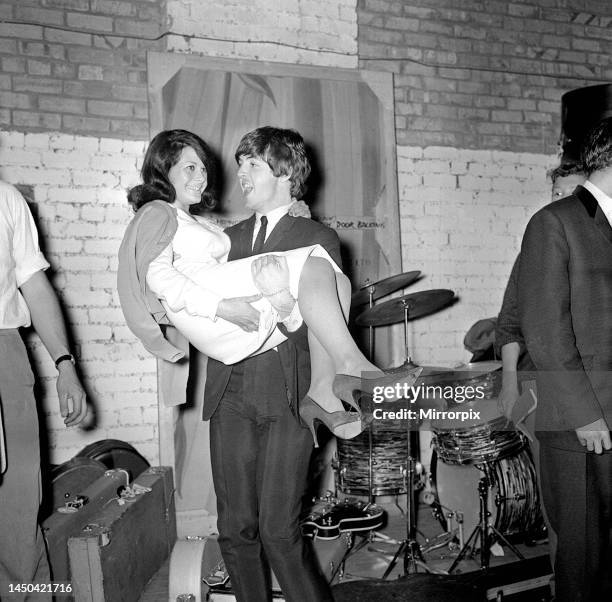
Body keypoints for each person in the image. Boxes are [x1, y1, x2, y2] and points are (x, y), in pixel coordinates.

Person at [117, 127, 419, 600]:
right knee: (235, 528)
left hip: (289, 394)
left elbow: (318, 321)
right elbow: (180, 263)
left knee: (280, 531)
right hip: (231, 391)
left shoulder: (316, 236)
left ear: (283, 173)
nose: (239, 174)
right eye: (239, 165)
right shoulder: (224, 238)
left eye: (252, 165)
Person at [518, 119, 612, 602]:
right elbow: (545, 333)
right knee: (582, 562)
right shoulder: (553, 223)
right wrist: (586, 414)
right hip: (582, 423)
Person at [0, 181, 87, 600]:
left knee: (17, 513)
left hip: (3, 355)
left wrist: (65, 365)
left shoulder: (6, 199)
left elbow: (34, 286)